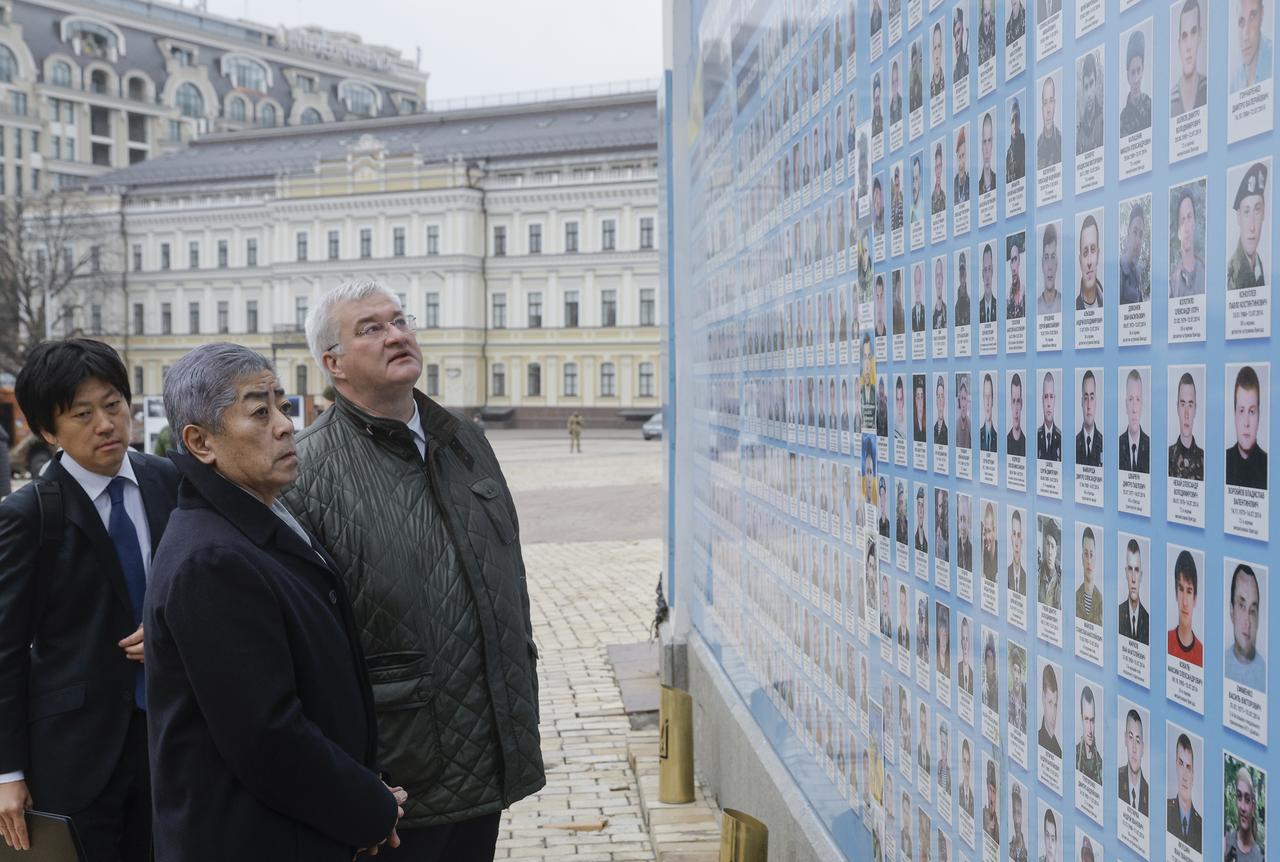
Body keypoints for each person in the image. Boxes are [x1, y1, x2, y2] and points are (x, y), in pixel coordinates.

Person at [286, 280, 545, 858]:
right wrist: (351, 778)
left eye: (400, 320)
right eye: (371, 328)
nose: (397, 334)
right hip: (396, 778)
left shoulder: (466, 442)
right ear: (334, 364)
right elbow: (301, 639)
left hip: (488, 752)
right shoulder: (305, 471)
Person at [145, 344, 404, 861]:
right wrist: (368, 808)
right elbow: (268, 739)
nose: (285, 425)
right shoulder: (212, 560)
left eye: (282, 406)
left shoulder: (259, 519)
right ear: (200, 442)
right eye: (259, 412)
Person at [0, 340, 180, 860]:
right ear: (48, 431)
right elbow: (6, 650)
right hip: (77, 755)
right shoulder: (31, 514)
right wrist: (8, 772)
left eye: (114, 405)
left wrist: (174, 630)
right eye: (83, 414)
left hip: (170, 738)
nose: (106, 424)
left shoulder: (165, 480)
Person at [1226, 563, 1267, 690]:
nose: (1248, 622)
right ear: (1232, 610)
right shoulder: (1220, 664)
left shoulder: (1266, 674)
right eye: (1242, 606)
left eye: (1253, 611)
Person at [1228, 162, 1268, 291]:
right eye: (1246, 212)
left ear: (1263, 213)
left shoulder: (1260, 266)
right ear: (1238, 217)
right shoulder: (1233, 271)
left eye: (1256, 210)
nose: (1252, 227)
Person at [1226, 365, 1268, 488]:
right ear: (1234, 414)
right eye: (1241, 410)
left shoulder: (1269, 466)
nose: (1246, 422)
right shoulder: (1223, 461)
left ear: (1259, 415)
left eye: (1251, 411)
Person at [1172, 0, 1209, 115]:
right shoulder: (1170, 101)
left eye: (1193, 32)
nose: (1188, 46)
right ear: (1179, 44)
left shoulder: (1208, 88)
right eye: (1184, 36)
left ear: (1200, 36)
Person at [1166, 734, 1203, 851]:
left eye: (1188, 767)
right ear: (1175, 766)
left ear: (1193, 774)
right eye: (1181, 764)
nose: (1184, 776)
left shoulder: (1201, 826)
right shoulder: (1165, 810)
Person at [1168, 549, 1204, 667]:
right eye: (1181, 589)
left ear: (1195, 598)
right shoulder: (1165, 641)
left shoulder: (1202, 653)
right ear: (1175, 593)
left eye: (1189, 591)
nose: (1184, 602)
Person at [1169, 187, 1206, 297]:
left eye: (1189, 217)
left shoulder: (1206, 273)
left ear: (1194, 223)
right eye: (1182, 220)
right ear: (1179, 232)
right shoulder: (1172, 283)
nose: (1186, 228)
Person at [1168, 372, 1205, 480]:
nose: (1187, 414)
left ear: (1195, 409)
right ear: (1177, 407)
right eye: (1183, 404)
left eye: (1190, 404)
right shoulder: (1167, 457)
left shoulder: (1205, 459)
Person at [1226, 766, 1263, 862]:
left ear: (1253, 806)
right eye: (1239, 797)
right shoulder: (1226, 842)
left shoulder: (1260, 856)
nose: (1242, 807)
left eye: (1247, 799)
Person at [1232, 0, 1273, 90]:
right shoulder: (1236, 79)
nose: (1245, 36)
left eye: (1252, 16)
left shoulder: (1275, 60)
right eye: (1241, 22)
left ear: (1262, 14)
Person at [1120, 30, 1153, 136]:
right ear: (1127, 76)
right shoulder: (1123, 117)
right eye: (1133, 72)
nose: (1136, 78)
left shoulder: (1150, 106)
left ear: (1143, 70)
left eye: (1139, 70)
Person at [1120, 539, 1151, 644]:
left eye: (1136, 570)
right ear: (1125, 573)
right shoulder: (1118, 614)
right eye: (1130, 569)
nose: (1133, 578)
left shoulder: (1148, 621)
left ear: (1141, 575)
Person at [1119, 709, 1150, 815]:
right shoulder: (1115, 780)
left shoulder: (1149, 794)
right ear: (1125, 739)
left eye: (1137, 741)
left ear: (1143, 748)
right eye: (1130, 737)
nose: (1134, 749)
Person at [1119, 369, 1150, 473]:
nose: (1134, 409)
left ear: (1142, 404)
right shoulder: (1117, 445)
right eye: (1130, 399)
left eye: (1138, 399)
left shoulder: (1150, 446)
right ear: (1125, 404)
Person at [1118, 205, 1150, 305]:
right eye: (1135, 232)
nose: (1137, 241)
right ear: (1128, 233)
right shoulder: (1119, 270)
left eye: (1140, 235)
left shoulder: (1137, 276)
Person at [1075, 527, 1103, 626]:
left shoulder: (1101, 601)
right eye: (1086, 554)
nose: (1089, 561)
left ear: (1095, 559)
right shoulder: (1075, 597)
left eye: (1091, 555)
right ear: (1082, 558)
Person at [1074, 686, 1103, 784]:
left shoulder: (1101, 766)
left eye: (1092, 720)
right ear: (1081, 718)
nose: (1090, 729)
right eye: (1086, 720)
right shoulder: (1073, 756)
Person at [1076, 52, 1104, 154]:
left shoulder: (1103, 121)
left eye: (1091, 84)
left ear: (1096, 83)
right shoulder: (1079, 133)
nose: (1088, 94)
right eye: (1086, 87)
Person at [1075, 215, 1105, 310]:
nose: (1089, 262)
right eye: (1085, 252)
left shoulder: (1109, 302)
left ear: (1098, 255)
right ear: (1080, 261)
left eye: (1092, 250)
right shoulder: (1073, 308)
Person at [1075, 370, 1103, 467]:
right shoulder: (1074, 444)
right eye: (1086, 398)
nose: (1089, 406)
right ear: (1081, 402)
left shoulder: (1104, 443)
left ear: (1096, 402)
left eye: (1092, 397)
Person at [1037, 76, 1062, 169]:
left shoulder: (1061, 142)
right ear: (1041, 108)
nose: (1048, 110)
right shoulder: (1036, 147)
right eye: (1045, 102)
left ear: (1055, 105)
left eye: (1051, 101)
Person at [1037, 372, 1062, 462]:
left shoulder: (1060, 437)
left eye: (1051, 397)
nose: (1048, 404)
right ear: (1042, 400)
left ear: (1055, 400)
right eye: (1046, 397)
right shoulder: (1036, 436)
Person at [1038, 665, 1062, 757]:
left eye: (1055, 705)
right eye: (1050, 702)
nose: (1053, 715)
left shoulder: (1059, 752)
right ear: (1043, 698)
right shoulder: (1036, 740)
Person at [1037, 519, 1062, 609]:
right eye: (1047, 544)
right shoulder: (1037, 574)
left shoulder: (1061, 578)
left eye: (1052, 546)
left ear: (1056, 550)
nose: (1050, 551)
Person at [1038, 223, 1062, 315]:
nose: (1049, 267)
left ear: (1057, 263)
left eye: (1053, 257)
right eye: (1046, 257)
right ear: (1042, 263)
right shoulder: (1036, 307)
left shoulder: (1064, 303)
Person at [1007, 375, 1027, 458]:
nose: (1016, 409)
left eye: (1018, 401)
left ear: (1021, 404)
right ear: (1010, 404)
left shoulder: (1026, 443)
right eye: (1013, 401)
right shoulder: (1005, 442)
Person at [1006, 99, 1026, 183]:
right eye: (1012, 120)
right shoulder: (1008, 154)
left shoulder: (1025, 146)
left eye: (1017, 119)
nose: (1015, 124)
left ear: (1020, 120)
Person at [1007, 237, 1026, 319]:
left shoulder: (1025, 294)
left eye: (1015, 259)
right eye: (1012, 260)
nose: (1014, 268)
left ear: (1020, 261)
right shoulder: (1008, 298)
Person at [1009, 786, 1029, 862]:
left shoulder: (1028, 853)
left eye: (1019, 813)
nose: (1016, 821)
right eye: (1014, 812)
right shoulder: (1008, 849)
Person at [1008, 650, 1026, 732]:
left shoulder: (1025, 701)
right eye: (1015, 670)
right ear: (1011, 671)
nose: (1017, 677)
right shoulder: (1008, 698)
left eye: (1019, 672)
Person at [978, 113, 997, 195]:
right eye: (984, 141)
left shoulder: (998, 182)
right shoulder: (977, 189)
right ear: (981, 146)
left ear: (992, 144)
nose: (986, 148)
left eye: (989, 141)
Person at [979, 244, 998, 323]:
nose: (987, 276)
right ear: (982, 274)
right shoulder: (977, 309)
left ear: (992, 271)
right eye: (985, 270)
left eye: (989, 269)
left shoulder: (998, 307)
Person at [982, 759, 1000, 841]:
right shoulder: (982, 817)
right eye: (990, 789)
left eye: (994, 791)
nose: (992, 797)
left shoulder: (998, 826)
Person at [980, 374, 997, 453]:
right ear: (983, 400)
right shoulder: (978, 436)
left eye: (989, 397)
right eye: (985, 397)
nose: (987, 402)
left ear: (992, 401)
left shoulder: (998, 438)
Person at [954, 128, 971, 204]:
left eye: (963, 155)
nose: (961, 162)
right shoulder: (953, 185)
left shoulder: (970, 182)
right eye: (959, 157)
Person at [956, 375, 972, 451]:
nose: (963, 402)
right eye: (961, 398)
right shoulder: (956, 423)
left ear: (967, 401)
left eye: (965, 398)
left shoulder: (970, 423)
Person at [956, 499, 974, 573]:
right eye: (960, 520)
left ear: (968, 522)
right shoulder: (950, 549)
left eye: (965, 520)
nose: (963, 526)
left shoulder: (973, 552)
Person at [982, 634, 998, 709]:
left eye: (992, 658)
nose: (990, 662)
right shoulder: (983, 688)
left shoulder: (997, 688)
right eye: (988, 657)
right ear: (985, 659)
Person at [955, 251, 972, 326]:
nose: (962, 274)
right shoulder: (956, 306)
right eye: (960, 271)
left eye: (963, 271)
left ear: (966, 274)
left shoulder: (970, 301)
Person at [978, 0, 996, 65]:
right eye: (985, 15)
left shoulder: (995, 25)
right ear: (981, 13)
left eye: (989, 14)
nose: (988, 20)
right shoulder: (978, 37)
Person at [953, 7, 970, 80]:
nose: (956, 41)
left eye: (958, 31)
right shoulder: (955, 72)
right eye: (954, 36)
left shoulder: (970, 60)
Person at [959, 740, 975, 815]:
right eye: (964, 761)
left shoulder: (973, 799)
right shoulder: (957, 791)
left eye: (968, 762)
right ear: (961, 762)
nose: (966, 766)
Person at [931, 24, 947, 97]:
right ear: (932, 54)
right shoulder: (928, 91)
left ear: (942, 50)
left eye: (939, 46)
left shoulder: (947, 83)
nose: (937, 55)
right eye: (935, 48)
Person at [932, 261, 948, 329]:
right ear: (935, 281)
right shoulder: (931, 314)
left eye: (940, 275)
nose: (938, 279)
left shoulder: (947, 311)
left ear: (943, 279)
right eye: (937, 275)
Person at [932, 145, 947, 215]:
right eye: (936, 167)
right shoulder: (931, 198)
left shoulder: (944, 197)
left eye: (940, 166)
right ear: (934, 169)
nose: (938, 171)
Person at [934, 378, 949, 444]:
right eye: (938, 396)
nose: (940, 400)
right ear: (936, 400)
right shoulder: (933, 429)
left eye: (942, 396)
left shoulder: (948, 432)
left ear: (945, 400)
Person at [912, 266, 927, 333]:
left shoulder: (926, 311)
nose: (918, 287)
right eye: (915, 283)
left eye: (919, 282)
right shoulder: (911, 312)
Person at [915, 487, 929, 553]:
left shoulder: (927, 544)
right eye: (918, 505)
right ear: (916, 509)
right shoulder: (913, 540)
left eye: (922, 506)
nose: (920, 510)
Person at [913, 376, 927, 443]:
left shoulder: (928, 421)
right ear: (915, 399)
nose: (920, 401)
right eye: (918, 397)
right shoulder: (913, 423)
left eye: (922, 396)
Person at [890, 60, 903, 125]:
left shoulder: (903, 104)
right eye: (892, 82)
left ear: (898, 83)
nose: (894, 86)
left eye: (896, 81)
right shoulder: (889, 110)